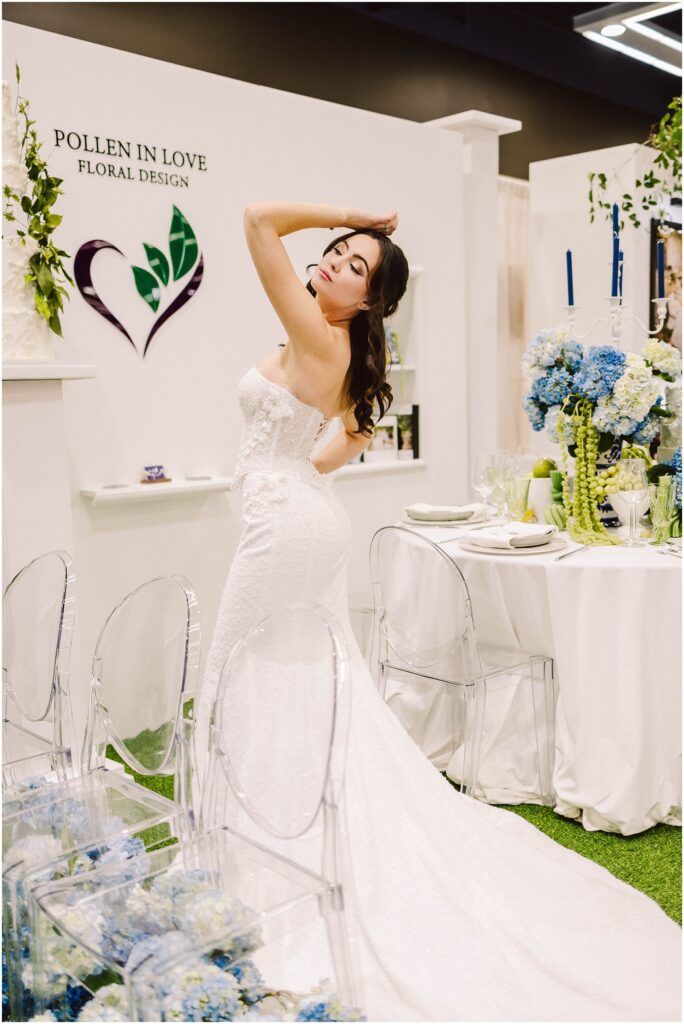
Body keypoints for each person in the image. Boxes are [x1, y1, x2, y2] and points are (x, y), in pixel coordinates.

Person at [194, 202, 680, 1022]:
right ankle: (276, 851)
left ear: (370, 303)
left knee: (230, 672)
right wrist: (297, 473)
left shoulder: (319, 336)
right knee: (309, 688)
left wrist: (346, 214)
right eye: (340, 252)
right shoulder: (334, 344)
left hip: (284, 531)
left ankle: (262, 865)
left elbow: (253, 222)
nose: (340, 262)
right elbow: (345, 437)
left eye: (359, 267)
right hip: (299, 517)